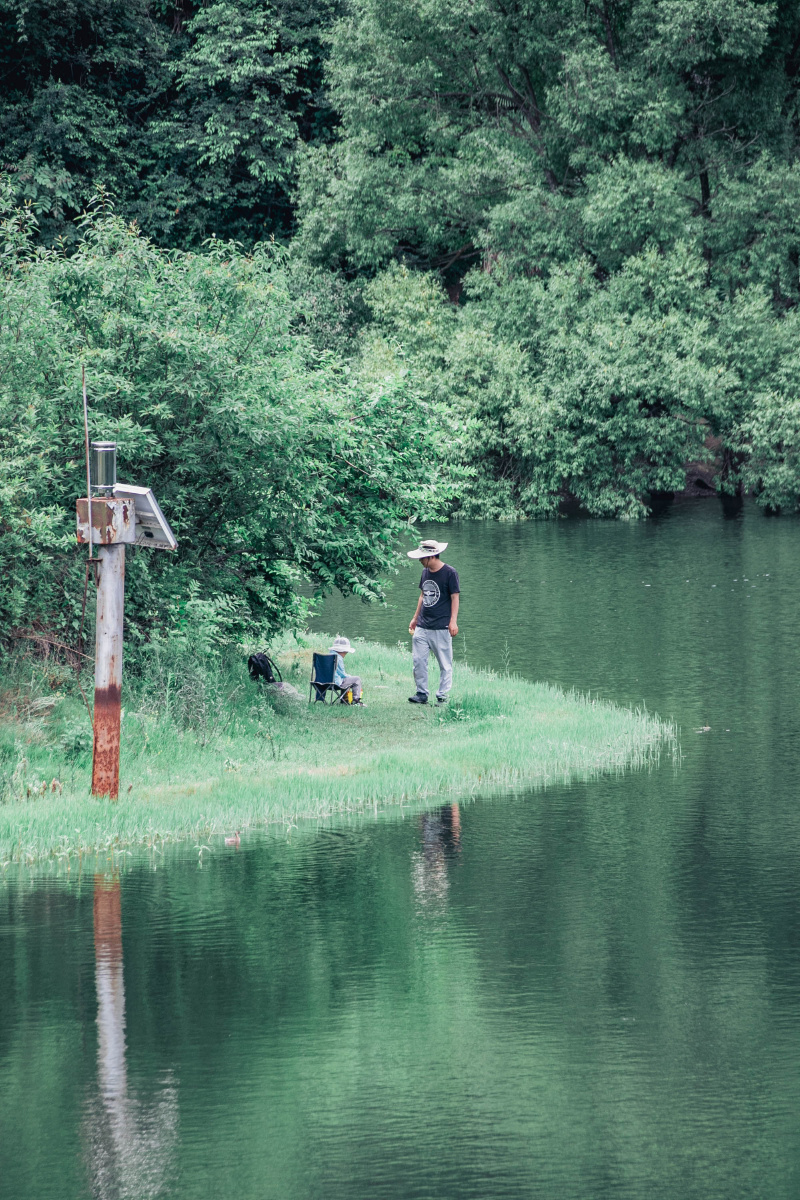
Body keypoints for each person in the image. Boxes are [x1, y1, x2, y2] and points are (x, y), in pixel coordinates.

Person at [407, 538, 460, 704]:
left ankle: (442, 696)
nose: (420, 561)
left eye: (422, 558)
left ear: (432, 556)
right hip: (423, 624)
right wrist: (415, 618)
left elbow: (455, 597)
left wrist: (453, 621)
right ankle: (421, 693)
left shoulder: (450, 573)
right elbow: (422, 595)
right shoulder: (425, 572)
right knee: (418, 661)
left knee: (445, 663)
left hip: (441, 626)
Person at [329, 636, 365, 705]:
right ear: (343, 651)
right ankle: (356, 701)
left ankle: (344, 700)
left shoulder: (328, 656)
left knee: (345, 680)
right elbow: (342, 674)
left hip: (321, 682)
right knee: (356, 679)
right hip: (334, 682)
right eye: (346, 651)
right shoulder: (337, 658)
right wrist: (349, 676)